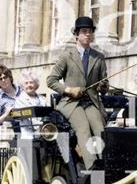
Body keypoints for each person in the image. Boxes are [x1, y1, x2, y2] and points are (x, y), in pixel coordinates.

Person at [46, 16, 108, 170]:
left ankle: (106, 164)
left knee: (100, 128)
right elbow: (51, 80)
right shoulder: (66, 56)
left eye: (90, 32)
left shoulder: (98, 57)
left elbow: (103, 88)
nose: (87, 35)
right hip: (71, 103)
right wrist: (68, 90)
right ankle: (91, 166)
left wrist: (103, 86)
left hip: (91, 101)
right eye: (84, 32)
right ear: (76, 35)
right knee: (83, 128)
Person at [14, 71, 47, 139]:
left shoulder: (42, 99)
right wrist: (41, 125)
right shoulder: (20, 100)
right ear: (22, 86)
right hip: (28, 137)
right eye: (26, 83)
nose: (29, 85)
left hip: (44, 136)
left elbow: (49, 113)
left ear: (36, 84)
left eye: (31, 82)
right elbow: (26, 118)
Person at [0, 65, 22, 134]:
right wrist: (6, 114)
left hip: (36, 130)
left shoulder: (23, 90)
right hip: (19, 133)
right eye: (0, 79)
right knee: (25, 145)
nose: (3, 80)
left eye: (5, 77)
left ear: (10, 77)